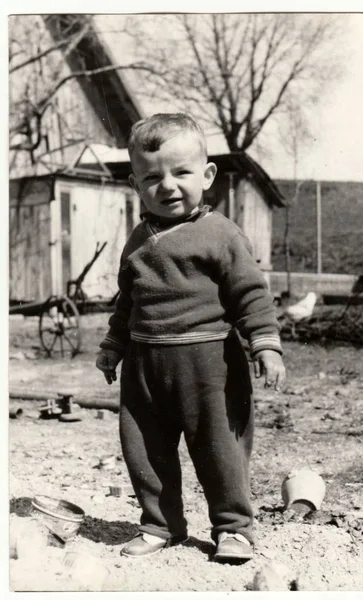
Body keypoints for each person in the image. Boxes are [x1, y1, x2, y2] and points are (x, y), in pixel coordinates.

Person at [96, 113, 286, 562]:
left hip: (209, 365)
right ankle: (161, 525)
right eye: (152, 176)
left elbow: (250, 294)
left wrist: (265, 344)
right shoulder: (139, 239)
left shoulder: (221, 234)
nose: (168, 185)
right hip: (145, 367)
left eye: (181, 172)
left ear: (207, 175)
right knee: (145, 450)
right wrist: (112, 347)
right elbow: (128, 301)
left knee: (220, 449)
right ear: (135, 185)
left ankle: (233, 527)